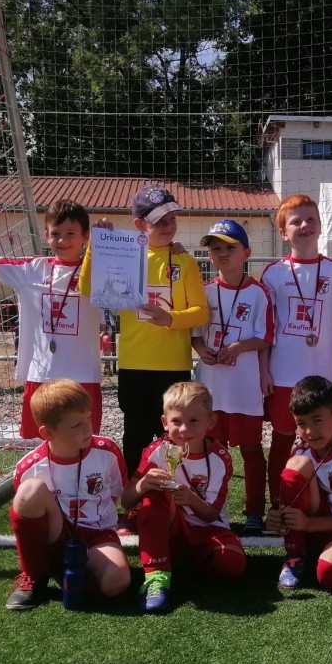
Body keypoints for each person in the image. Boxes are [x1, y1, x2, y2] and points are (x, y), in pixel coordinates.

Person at [0, 199, 102, 439]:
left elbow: (131, 271)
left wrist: (106, 241)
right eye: (55, 234)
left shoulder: (98, 270)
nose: (62, 240)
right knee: (42, 442)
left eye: (71, 233)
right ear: (46, 236)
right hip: (41, 375)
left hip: (83, 376)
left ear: (86, 237)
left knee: (84, 442)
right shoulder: (32, 270)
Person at [260, 194, 332, 506]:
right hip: (283, 374)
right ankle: (279, 504)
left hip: (323, 374)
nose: (305, 225)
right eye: (296, 221)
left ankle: (328, 503)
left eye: (310, 219)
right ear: (283, 232)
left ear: (320, 225)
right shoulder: (273, 273)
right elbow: (265, 329)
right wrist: (264, 370)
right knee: (283, 439)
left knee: (325, 438)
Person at [120, 381, 246, 613]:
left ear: (211, 421)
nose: (184, 429)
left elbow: (211, 514)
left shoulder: (220, 457)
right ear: (164, 422)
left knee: (231, 564)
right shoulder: (157, 451)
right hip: (171, 525)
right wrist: (142, 485)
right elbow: (126, 501)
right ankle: (156, 576)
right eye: (176, 421)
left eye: (194, 421)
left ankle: (184, 559)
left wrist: (190, 499)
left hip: (208, 530)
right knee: (153, 493)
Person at [5, 379, 130, 611]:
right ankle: (35, 576)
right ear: (48, 432)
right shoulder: (30, 467)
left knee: (117, 581)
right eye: (76, 425)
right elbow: (27, 513)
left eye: (88, 419)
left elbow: (115, 494)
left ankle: (72, 574)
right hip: (55, 534)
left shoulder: (107, 451)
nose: (88, 429)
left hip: (96, 535)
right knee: (30, 491)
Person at [113, 185, 209, 477]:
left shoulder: (185, 261)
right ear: (139, 225)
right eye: (159, 221)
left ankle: (177, 495)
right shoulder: (124, 258)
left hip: (173, 367)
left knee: (176, 440)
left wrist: (170, 318)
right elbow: (89, 288)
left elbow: (201, 311)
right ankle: (134, 496)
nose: (168, 226)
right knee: (136, 439)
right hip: (133, 366)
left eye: (172, 219)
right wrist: (95, 247)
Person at [191, 219, 275, 535]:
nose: (222, 253)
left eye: (230, 247)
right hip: (211, 386)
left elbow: (266, 336)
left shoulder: (258, 293)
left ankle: (254, 511)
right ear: (209, 255)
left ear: (246, 253)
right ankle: (215, 508)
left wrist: (239, 347)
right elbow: (195, 335)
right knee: (212, 450)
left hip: (243, 387)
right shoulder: (204, 291)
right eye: (215, 248)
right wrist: (202, 350)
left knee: (251, 450)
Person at [266, 376, 332, 592]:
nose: (309, 431)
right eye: (301, 423)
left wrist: (307, 524)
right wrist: (278, 517)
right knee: (297, 464)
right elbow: (291, 504)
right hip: (312, 526)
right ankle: (295, 554)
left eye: (317, 420)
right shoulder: (301, 451)